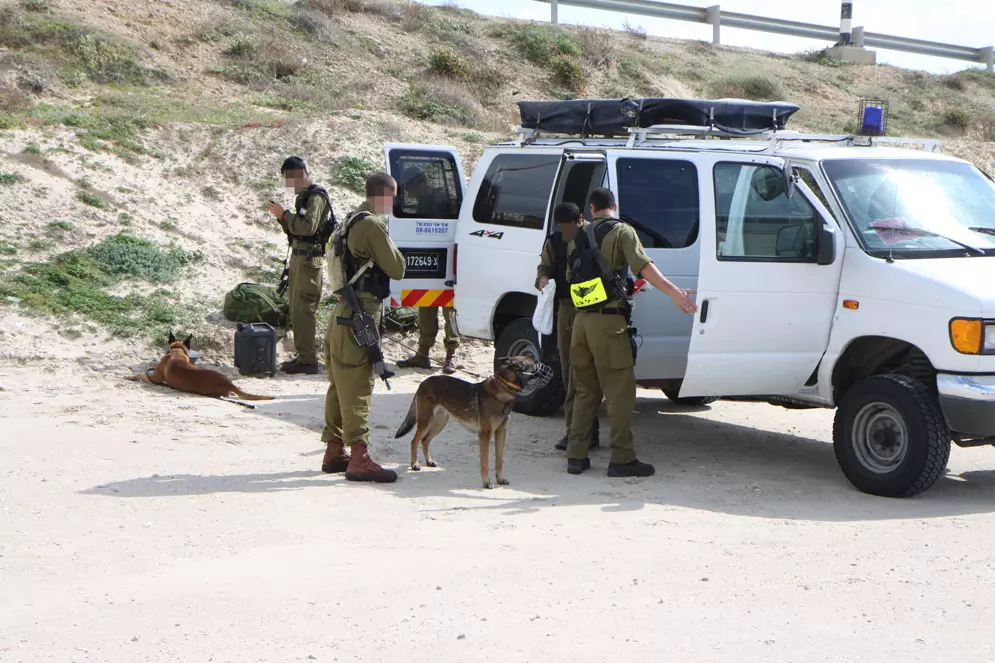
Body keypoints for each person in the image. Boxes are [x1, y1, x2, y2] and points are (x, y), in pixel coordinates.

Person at [565, 188, 697, 478]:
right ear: (615, 206)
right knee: (620, 394)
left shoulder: (578, 236)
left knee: (585, 391)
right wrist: (674, 293)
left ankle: (576, 456)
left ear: (591, 208)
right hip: (609, 325)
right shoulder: (623, 232)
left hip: (581, 323)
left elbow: (569, 278)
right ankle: (622, 458)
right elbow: (643, 267)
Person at [320, 172, 406, 483]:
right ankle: (359, 457)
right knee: (357, 386)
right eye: (392, 196)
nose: (394, 202)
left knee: (338, 385)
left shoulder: (349, 220)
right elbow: (397, 268)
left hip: (343, 313)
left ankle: (334, 451)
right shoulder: (371, 225)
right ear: (383, 194)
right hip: (362, 314)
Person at [536, 202, 600, 452]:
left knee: (585, 373)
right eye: (561, 227)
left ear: (580, 220)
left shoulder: (593, 237)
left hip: (590, 308)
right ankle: (576, 431)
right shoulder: (553, 241)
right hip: (566, 307)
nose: (565, 232)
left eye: (569, 226)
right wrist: (542, 279)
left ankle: (583, 432)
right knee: (568, 371)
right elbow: (545, 266)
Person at [268, 156, 333, 375]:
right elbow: (296, 230)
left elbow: (308, 228)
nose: (289, 184)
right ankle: (303, 356)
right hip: (299, 259)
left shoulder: (316, 197)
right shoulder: (304, 198)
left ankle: (308, 359)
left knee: (304, 311)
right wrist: (283, 218)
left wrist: (285, 214)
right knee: (297, 311)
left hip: (308, 262)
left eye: (289, 178)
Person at [396, 170, 461, 374]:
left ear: (420, 182)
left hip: (447, 257)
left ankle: (451, 356)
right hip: (430, 257)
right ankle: (423, 354)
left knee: (450, 309)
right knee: (426, 305)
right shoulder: (423, 202)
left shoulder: (441, 198)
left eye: (410, 188)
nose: (410, 193)